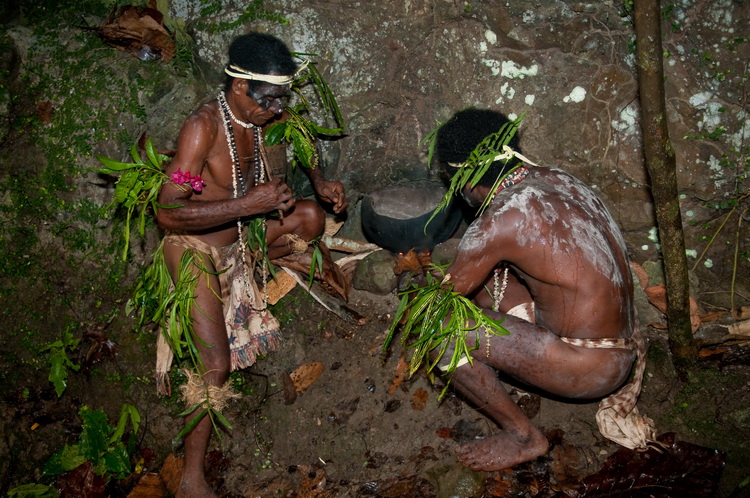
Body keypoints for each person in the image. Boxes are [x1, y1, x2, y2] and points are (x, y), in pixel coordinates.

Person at [155, 33, 347, 498]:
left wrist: (318, 181)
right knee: (215, 364)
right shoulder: (202, 128)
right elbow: (166, 212)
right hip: (195, 249)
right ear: (239, 86)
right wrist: (247, 204)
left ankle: (265, 263)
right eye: (271, 100)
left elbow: (298, 136)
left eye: (283, 98)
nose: (279, 110)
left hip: (245, 237)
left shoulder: (264, 112)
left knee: (311, 217)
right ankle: (191, 478)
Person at [431, 108, 649, 471]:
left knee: (439, 331)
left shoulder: (499, 222)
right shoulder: (555, 178)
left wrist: (416, 275)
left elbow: (439, 299)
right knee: (486, 282)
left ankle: (523, 437)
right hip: (626, 338)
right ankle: (517, 371)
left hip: (592, 367)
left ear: (465, 180)